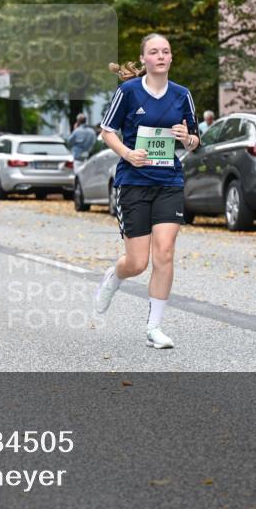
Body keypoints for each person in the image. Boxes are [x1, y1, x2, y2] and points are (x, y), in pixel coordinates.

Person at [95, 33, 200, 349]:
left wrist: (188, 138)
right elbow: (106, 132)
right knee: (137, 262)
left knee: (165, 251)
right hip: (133, 183)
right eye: (154, 51)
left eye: (165, 51)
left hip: (169, 181)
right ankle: (114, 277)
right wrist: (128, 154)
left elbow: (194, 139)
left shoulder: (182, 95)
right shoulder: (128, 92)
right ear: (144, 59)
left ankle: (154, 327)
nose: (161, 56)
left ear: (171, 58)